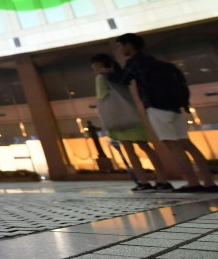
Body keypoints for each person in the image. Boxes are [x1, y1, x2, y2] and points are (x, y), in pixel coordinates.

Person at [110, 33, 217, 193]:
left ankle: (192, 182)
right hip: (174, 107)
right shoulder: (154, 61)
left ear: (129, 45)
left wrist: (108, 72)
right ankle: (209, 182)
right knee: (186, 144)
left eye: (121, 45)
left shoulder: (135, 62)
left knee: (173, 145)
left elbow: (123, 79)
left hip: (156, 107)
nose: (120, 49)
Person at [91, 53, 172, 191]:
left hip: (118, 118)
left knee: (130, 151)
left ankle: (143, 181)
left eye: (93, 64)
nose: (93, 67)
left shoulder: (101, 77)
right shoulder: (120, 75)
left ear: (99, 63)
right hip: (133, 116)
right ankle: (163, 179)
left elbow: (102, 97)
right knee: (146, 148)